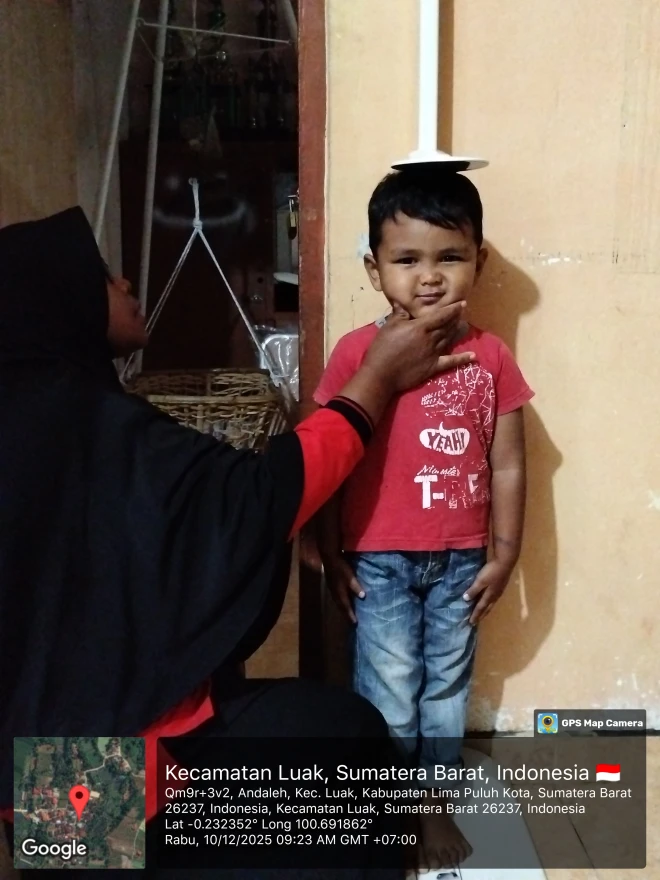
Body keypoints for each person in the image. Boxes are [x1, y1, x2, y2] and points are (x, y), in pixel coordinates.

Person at [0, 206, 474, 877]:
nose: (126, 283)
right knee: (349, 744)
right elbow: (252, 500)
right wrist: (376, 381)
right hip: (116, 786)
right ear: (60, 298)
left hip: (39, 805)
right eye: (104, 276)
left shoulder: (40, 412)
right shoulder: (79, 422)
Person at [315, 168, 535, 869]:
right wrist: (327, 552)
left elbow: (508, 465)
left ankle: (432, 799)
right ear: (374, 268)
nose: (430, 277)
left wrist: (505, 554)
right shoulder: (358, 354)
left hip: (462, 561)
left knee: (444, 687)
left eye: (450, 257)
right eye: (407, 259)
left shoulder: (491, 357)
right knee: (388, 686)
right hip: (376, 559)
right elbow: (329, 456)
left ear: (480, 261)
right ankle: (393, 804)